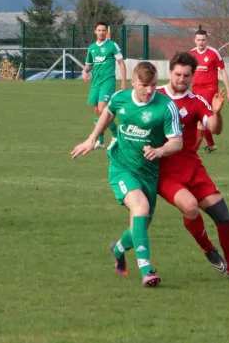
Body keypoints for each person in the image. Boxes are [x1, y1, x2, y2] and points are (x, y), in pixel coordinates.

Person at [71, 62, 183, 287]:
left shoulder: (166, 106)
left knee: (139, 227)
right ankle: (147, 270)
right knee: (140, 208)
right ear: (133, 82)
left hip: (149, 173)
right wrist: (92, 139)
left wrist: (160, 150)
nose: (150, 90)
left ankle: (118, 249)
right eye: (144, 85)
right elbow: (107, 114)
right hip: (121, 167)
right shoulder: (120, 98)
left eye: (153, 85)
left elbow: (177, 142)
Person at [156, 51, 229, 283]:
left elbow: (215, 129)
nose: (182, 79)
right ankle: (207, 248)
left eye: (187, 75)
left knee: (225, 219)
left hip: (193, 168)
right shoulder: (155, 97)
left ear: (192, 76)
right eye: (178, 74)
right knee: (191, 206)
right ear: (170, 72)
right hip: (165, 170)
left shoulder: (197, 101)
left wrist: (217, 112)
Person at [82, 22, 127, 150]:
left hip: (108, 81)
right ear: (95, 31)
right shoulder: (91, 48)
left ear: (106, 32)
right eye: (99, 30)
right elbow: (89, 65)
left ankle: (115, 135)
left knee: (103, 109)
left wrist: (123, 82)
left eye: (103, 30)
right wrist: (85, 70)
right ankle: (100, 141)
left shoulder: (112, 45)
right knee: (96, 110)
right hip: (96, 82)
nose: (101, 32)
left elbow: (121, 63)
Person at [189, 29, 229, 153]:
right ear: (195, 40)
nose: (200, 42)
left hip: (209, 89)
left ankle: (193, 150)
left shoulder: (214, 53)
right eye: (198, 40)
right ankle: (211, 144)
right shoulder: (191, 54)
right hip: (195, 89)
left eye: (203, 40)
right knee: (202, 118)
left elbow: (223, 71)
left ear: (206, 40)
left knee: (199, 118)